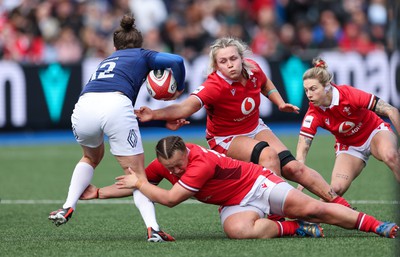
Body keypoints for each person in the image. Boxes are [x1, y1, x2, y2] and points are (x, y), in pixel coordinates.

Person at [133, 37, 352, 214]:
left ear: (241, 58)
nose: (230, 65)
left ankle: (340, 204)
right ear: (216, 65)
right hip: (225, 139)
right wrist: (154, 114)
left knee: (294, 168)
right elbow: (185, 108)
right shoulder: (214, 86)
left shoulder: (253, 68)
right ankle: (277, 215)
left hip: (255, 127)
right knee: (268, 156)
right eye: (223, 61)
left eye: (233, 59)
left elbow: (265, 83)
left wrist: (279, 102)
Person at [81, 136, 398, 239]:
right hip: (233, 203)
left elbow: (170, 199)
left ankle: (378, 226)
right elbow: (142, 184)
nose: (175, 171)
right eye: (170, 168)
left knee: (316, 209)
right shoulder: (166, 163)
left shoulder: (199, 162)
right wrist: (98, 193)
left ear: (188, 153)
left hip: (256, 184)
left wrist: (140, 182)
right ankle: (295, 229)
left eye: (178, 165)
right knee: (240, 231)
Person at [48, 13, 186, 242]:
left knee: (90, 158)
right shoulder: (143, 54)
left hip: (84, 105)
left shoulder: (108, 60)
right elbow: (177, 62)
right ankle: (153, 229)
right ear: (139, 43)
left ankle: (66, 206)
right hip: (116, 104)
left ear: (115, 46)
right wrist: (179, 87)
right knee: (136, 175)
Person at [296, 57, 400, 196]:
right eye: (306, 90)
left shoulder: (349, 95)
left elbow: (391, 110)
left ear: (327, 86)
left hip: (373, 132)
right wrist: (300, 174)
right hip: (349, 147)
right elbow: (303, 146)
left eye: (313, 89)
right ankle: (309, 216)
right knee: (334, 191)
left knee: (390, 155)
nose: (309, 95)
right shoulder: (313, 113)